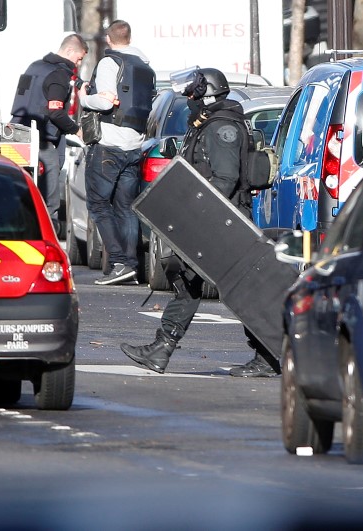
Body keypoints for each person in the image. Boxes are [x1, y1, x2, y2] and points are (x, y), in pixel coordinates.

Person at [120, 67, 281, 378]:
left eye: (193, 90)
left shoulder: (223, 128)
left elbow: (225, 178)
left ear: (207, 92)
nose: (189, 96)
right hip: (211, 219)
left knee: (242, 291)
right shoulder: (208, 122)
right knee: (187, 281)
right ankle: (161, 348)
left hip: (223, 221)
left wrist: (198, 212)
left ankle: (267, 356)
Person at [79, 20, 155, 285]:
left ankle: (120, 262)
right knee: (126, 207)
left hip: (109, 145)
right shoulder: (146, 67)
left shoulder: (109, 63)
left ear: (109, 40)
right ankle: (131, 266)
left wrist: (83, 98)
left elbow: (104, 100)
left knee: (99, 204)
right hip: (135, 146)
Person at [10, 33, 88, 234]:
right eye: (79, 58)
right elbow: (55, 112)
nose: (78, 63)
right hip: (41, 141)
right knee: (49, 202)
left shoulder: (35, 66)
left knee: (20, 195)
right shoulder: (59, 74)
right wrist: (76, 130)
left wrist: (80, 83)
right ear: (70, 51)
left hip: (17, 137)